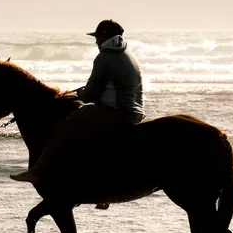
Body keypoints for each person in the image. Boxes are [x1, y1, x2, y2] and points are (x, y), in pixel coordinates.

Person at [12, 19, 143, 187]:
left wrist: (80, 93)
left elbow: (91, 95)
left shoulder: (104, 56)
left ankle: (36, 172)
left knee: (67, 124)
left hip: (116, 112)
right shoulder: (128, 54)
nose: (96, 41)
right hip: (134, 111)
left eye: (97, 37)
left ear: (105, 37)